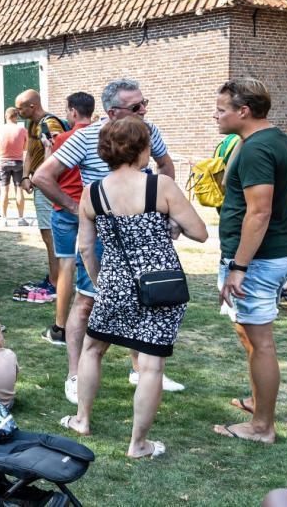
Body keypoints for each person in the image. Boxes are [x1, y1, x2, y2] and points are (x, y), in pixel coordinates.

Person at [60, 118, 207, 459]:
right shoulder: (161, 185)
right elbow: (200, 232)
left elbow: (86, 248)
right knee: (151, 365)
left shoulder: (92, 192)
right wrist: (172, 223)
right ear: (142, 148)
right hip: (161, 285)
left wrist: (101, 282)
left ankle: (82, 420)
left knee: (92, 350)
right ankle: (138, 443)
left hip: (114, 282)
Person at [32, 78, 180, 403]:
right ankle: (75, 374)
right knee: (87, 301)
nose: (144, 110)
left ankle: (141, 369)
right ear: (113, 113)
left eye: (144, 103)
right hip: (102, 237)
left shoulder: (149, 131)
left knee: (144, 299)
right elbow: (42, 176)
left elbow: (166, 164)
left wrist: (164, 204)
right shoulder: (86, 137)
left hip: (142, 237)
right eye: (136, 106)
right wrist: (78, 208)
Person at [212, 78, 287, 444]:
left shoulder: (258, 149)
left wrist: (239, 267)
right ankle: (257, 402)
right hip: (268, 256)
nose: (215, 115)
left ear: (243, 111)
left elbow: (259, 212)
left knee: (261, 342)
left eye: (221, 110)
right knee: (248, 334)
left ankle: (262, 427)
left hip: (258, 261)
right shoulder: (273, 140)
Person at [42, 92, 94, 347]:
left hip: (65, 208)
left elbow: (46, 174)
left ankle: (60, 327)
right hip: (90, 208)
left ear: (73, 112)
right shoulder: (99, 137)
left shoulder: (63, 139)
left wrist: (47, 148)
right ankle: (91, 324)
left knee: (66, 266)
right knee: (92, 264)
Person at [14, 89, 70, 302]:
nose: (18, 112)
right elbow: (30, 152)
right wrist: (25, 176)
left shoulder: (50, 124)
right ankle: (54, 278)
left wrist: (44, 177)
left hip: (48, 187)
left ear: (32, 106)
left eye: (20, 108)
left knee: (50, 237)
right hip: (41, 184)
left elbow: (57, 153)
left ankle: (55, 283)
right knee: (48, 236)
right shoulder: (32, 124)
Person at [0, 107, 28, 222]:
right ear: (16, 116)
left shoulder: (0, 129)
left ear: (6, 116)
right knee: (19, 189)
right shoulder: (22, 130)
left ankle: (4, 218)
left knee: (4, 190)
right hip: (18, 162)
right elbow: (26, 147)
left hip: (3, 162)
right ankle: (21, 218)